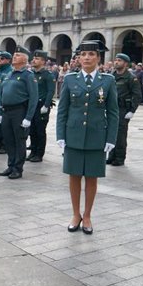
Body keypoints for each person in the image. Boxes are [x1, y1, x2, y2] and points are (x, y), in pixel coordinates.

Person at [57, 40, 119, 235]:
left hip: (96, 136)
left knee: (91, 178)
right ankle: (76, 214)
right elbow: (62, 110)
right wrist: (60, 135)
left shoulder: (108, 80)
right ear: (78, 58)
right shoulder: (70, 79)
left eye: (91, 54)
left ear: (98, 58)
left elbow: (113, 112)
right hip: (73, 135)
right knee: (74, 176)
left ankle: (88, 215)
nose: (87, 58)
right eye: (83, 55)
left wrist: (111, 138)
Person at [0, 46, 37, 179]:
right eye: (14, 54)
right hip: (6, 112)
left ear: (25, 60)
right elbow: (1, 94)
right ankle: (11, 164)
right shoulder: (9, 74)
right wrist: (0, 112)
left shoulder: (28, 75)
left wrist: (28, 117)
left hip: (19, 111)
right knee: (8, 140)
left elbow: (33, 97)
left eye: (18, 55)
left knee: (19, 141)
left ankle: (18, 168)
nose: (15, 57)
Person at [107, 53, 142, 166]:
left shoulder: (131, 78)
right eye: (116, 60)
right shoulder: (112, 75)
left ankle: (120, 158)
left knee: (120, 135)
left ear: (125, 64)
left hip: (123, 109)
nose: (116, 62)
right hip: (112, 108)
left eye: (119, 60)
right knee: (112, 132)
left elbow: (137, 95)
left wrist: (132, 110)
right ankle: (111, 156)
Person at [27, 50, 56, 163]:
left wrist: (46, 105)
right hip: (32, 104)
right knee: (32, 130)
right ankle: (33, 151)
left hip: (41, 104)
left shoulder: (47, 75)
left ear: (43, 61)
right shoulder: (31, 74)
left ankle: (39, 154)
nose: (33, 60)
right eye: (33, 58)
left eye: (37, 59)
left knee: (40, 130)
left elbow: (50, 91)